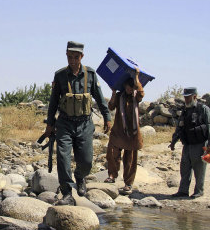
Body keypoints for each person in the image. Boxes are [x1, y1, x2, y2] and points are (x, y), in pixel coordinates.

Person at [44, 41, 112, 205]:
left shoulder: (90, 74)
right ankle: (67, 192)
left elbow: (100, 99)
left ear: (82, 56)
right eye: (69, 57)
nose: (72, 60)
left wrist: (107, 117)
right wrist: (50, 124)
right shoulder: (60, 75)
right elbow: (53, 102)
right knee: (63, 158)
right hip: (65, 124)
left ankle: (80, 177)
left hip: (85, 124)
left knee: (87, 161)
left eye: (76, 57)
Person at [104, 68, 144, 195]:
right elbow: (111, 106)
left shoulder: (136, 97)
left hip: (132, 134)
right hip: (118, 132)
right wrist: (114, 93)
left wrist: (137, 77)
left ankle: (128, 183)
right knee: (112, 153)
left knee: (130, 159)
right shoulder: (120, 96)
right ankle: (112, 175)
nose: (129, 89)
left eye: (132, 87)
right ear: (125, 86)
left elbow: (141, 93)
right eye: (128, 86)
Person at [169, 87, 210, 199]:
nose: (186, 99)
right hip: (187, 144)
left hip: (199, 144)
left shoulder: (203, 109)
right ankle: (183, 191)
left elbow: (209, 126)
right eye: (185, 97)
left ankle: (199, 191)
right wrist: (173, 141)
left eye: (188, 97)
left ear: (194, 96)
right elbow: (179, 127)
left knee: (199, 169)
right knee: (184, 168)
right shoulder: (185, 110)